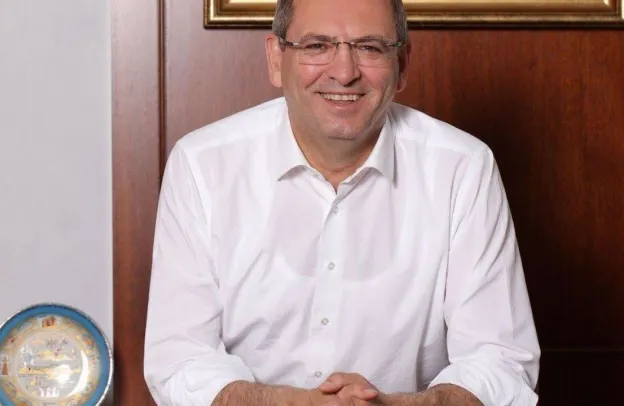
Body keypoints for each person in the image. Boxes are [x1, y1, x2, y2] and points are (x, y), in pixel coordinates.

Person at [143, 0, 540, 404]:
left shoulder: (463, 167)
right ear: (276, 59)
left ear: (402, 63)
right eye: (317, 45)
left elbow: (500, 362)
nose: (345, 73)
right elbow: (180, 360)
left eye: (370, 47)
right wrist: (296, 404)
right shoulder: (202, 164)